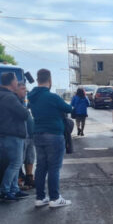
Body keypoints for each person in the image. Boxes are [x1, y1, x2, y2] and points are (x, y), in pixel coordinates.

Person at [28, 69, 74, 208]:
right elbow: (68, 108)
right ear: (50, 80)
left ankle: (40, 197)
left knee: (41, 166)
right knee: (54, 167)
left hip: (38, 134)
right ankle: (55, 198)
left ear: (37, 80)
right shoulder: (52, 97)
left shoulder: (32, 97)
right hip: (53, 134)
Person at [0, 72, 31, 201]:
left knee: (15, 163)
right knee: (15, 163)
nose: (16, 82)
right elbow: (24, 114)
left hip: (5, 133)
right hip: (13, 133)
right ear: (11, 82)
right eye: (15, 80)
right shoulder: (10, 98)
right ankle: (5, 190)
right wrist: (25, 107)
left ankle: (14, 189)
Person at [15, 82, 35, 189]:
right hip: (21, 135)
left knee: (30, 157)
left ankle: (29, 178)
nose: (25, 91)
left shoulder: (23, 101)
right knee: (19, 159)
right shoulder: (15, 101)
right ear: (16, 90)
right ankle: (18, 181)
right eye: (22, 89)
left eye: (25, 89)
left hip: (29, 134)